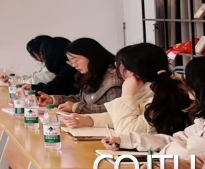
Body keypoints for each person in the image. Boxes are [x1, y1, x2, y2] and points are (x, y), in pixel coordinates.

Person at [102, 56, 205, 156]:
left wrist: (126, 95)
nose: (183, 83)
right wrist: (127, 141)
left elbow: (185, 152)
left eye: (186, 79)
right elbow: (176, 139)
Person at [60, 43, 190, 135]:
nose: (116, 70)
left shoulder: (165, 95)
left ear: (131, 72)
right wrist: (88, 120)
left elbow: (127, 131)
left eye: (119, 66)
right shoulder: (151, 87)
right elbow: (119, 116)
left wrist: (127, 95)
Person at [39, 38, 122, 115]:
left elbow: (114, 109)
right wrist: (54, 100)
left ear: (91, 56)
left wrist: (76, 108)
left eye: (76, 60)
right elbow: (81, 99)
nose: (73, 65)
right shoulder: (92, 74)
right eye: (70, 62)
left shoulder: (114, 78)